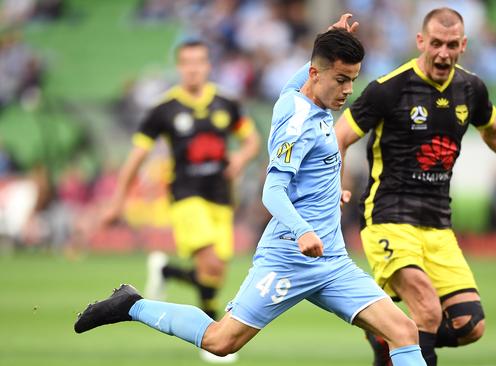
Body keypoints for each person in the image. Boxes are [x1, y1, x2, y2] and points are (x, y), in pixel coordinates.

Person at [75, 15, 427, 366]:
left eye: (352, 79)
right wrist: (303, 229)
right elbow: (272, 191)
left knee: (403, 331)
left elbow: (306, 74)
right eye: (341, 80)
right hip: (290, 257)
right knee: (221, 341)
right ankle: (132, 305)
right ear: (316, 76)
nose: (348, 90)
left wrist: (330, 38)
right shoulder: (297, 124)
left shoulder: (297, 94)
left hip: (332, 260)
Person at [335, 8, 496, 366]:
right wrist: (334, 185)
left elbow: (493, 130)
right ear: (420, 42)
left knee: (468, 325)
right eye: (436, 44)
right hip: (388, 217)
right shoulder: (389, 89)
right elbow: (339, 137)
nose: (443, 53)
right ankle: (396, 338)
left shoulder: (470, 88)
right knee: (427, 310)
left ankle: (387, 337)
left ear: (463, 45)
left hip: (438, 225)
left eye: (451, 45)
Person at [100, 38, 260, 362]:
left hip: (220, 196)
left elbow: (252, 140)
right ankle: (212, 340)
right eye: (187, 63)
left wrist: (240, 160)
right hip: (187, 195)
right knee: (211, 261)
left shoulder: (226, 103)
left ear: (208, 65)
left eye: (199, 62)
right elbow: (136, 157)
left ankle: (167, 272)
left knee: (214, 272)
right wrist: (118, 200)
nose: (193, 68)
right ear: (179, 67)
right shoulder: (164, 109)